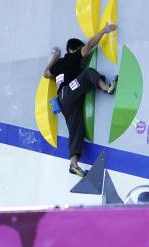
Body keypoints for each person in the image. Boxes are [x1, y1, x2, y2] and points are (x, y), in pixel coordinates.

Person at [43, 24, 118, 177]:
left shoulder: (57, 66)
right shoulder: (73, 57)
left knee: (76, 130)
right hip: (69, 91)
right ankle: (107, 88)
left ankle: (73, 164)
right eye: (80, 49)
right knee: (88, 73)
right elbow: (91, 44)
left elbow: (45, 73)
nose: (83, 53)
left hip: (62, 102)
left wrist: (54, 58)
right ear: (74, 49)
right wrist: (103, 31)